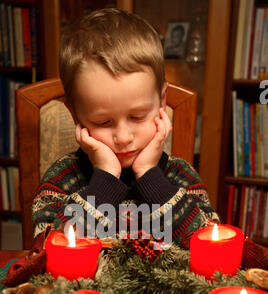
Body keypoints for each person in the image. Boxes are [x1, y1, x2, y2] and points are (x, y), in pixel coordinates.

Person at [32, 8, 219, 248]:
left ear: (161, 102)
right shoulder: (62, 179)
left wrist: (151, 177)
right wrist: (105, 179)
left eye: (137, 116)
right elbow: (46, 251)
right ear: (74, 113)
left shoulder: (180, 176)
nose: (123, 137)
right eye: (103, 122)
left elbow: (211, 245)